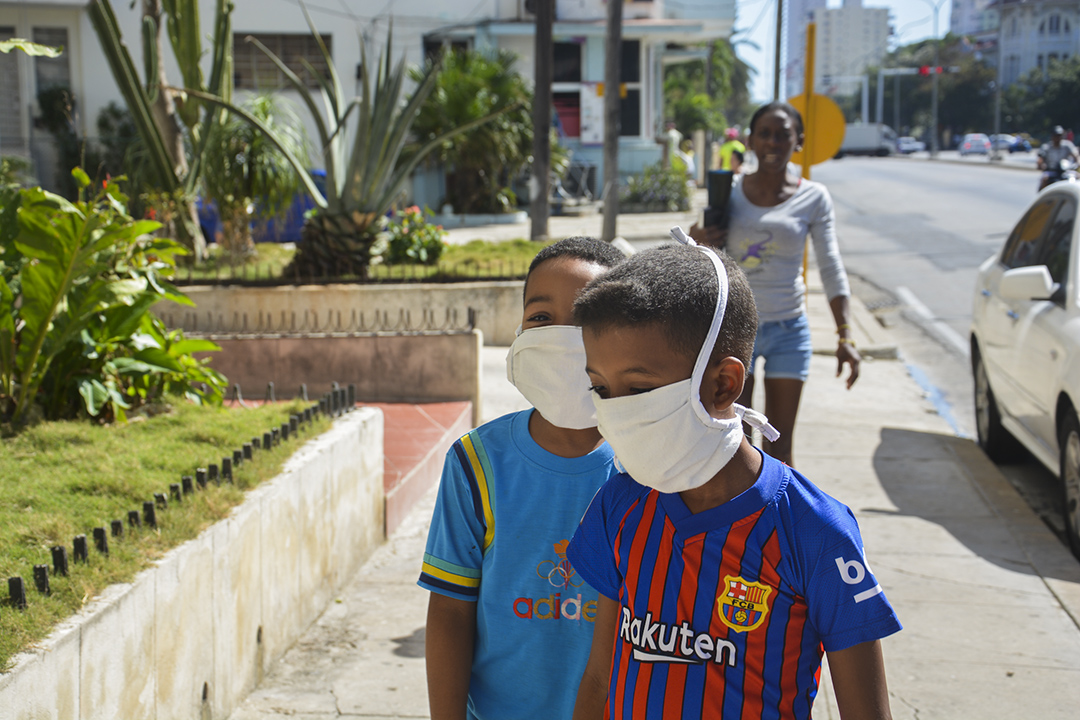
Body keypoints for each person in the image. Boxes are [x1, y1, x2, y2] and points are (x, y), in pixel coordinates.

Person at [566, 241, 901, 720]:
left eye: (638, 389)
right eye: (601, 388)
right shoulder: (618, 505)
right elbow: (601, 678)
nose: (615, 411)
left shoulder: (815, 531)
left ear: (723, 384)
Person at [420, 237, 626, 720]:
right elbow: (450, 610)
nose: (559, 335)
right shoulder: (476, 462)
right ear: (520, 330)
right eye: (540, 318)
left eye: (583, 318)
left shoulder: (651, 467)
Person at [690, 101, 859, 468]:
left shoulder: (814, 197)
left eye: (783, 135)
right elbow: (702, 259)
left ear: (798, 141)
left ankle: (780, 525)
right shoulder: (728, 191)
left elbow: (830, 264)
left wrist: (845, 333)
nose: (773, 143)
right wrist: (696, 239)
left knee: (780, 447)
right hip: (737, 331)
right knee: (735, 444)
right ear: (750, 141)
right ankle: (742, 523)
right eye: (764, 134)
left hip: (789, 329)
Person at [1037, 125, 1080, 190]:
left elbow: (1075, 155)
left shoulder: (1067, 145)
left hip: (1065, 171)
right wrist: (1041, 165)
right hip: (1051, 171)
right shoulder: (1046, 147)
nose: (1058, 138)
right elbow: (1040, 159)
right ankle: (1042, 197)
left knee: (1077, 177)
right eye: (1056, 135)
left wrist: (1077, 163)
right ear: (1052, 136)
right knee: (1044, 179)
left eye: (1059, 136)